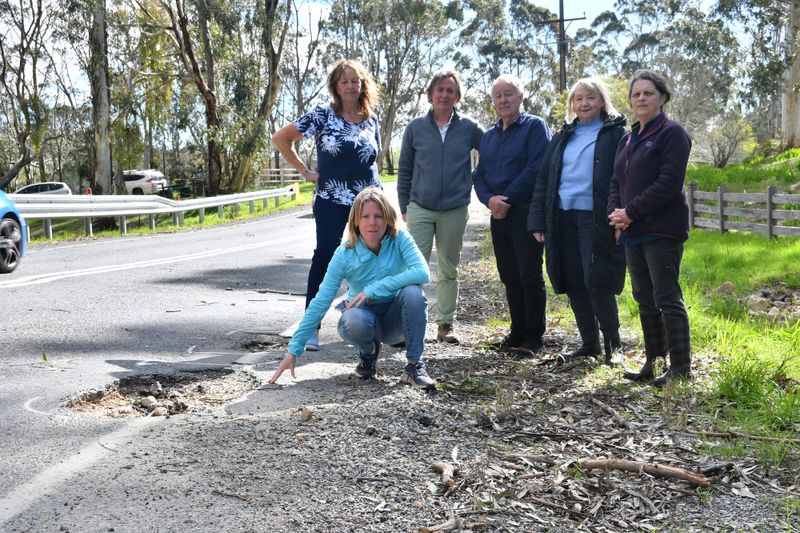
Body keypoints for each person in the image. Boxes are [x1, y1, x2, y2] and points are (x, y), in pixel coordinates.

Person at [268, 187, 436, 389]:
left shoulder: (400, 238)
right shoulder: (344, 253)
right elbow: (321, 301)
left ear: (388, 218)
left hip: (396, 321)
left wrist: (373, 289)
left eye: (378, 216)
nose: (372, 222)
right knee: (351, 319)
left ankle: (414, 366)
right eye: (365, 216)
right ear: (356, 220)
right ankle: (368, 354)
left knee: (414, 293)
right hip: (364, 320)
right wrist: (293, 350)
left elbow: (422, 272)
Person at [272, 59, 381, 352]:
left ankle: (369, 325)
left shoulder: (372, 118)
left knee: (372, 260)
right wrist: (305, 172)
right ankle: (310, 329)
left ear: (362, 85)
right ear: (335, 86)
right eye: (344, 81)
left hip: (367, 202)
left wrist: (380, 200)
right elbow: (281, 138)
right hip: (332, 200)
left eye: (355, 81)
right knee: (325, 259)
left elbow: (373, 162)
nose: (350, 86)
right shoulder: (323, 115)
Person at [528, 78, 627, 365]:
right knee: (573, 280)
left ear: (601, 101)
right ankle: (589, 343)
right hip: (561, 217)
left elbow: (624, 179)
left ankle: (614, 347)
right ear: (572, 104)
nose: (584, 103)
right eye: (579, 98)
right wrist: (538, 221)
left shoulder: (616, 135)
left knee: (597, 279)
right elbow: (544, 180)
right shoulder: (562, 137)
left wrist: (622, 217)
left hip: (597, 217)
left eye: (591, 98)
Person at [607, 69, 693, 387]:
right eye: (636, 94)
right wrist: (616, 215)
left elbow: (669, 183)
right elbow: (616, 181)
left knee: (666, 297)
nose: (641, 98)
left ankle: (681, 369)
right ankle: (654, 365)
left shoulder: (672, 134)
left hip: (662, 229)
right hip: (632, 231)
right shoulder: (628, 139)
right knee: (644, 298)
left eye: (648, 93)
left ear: (663, 97)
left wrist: (631, 211)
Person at [397, 70, 484, 345]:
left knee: (449, 268)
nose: (444, 95)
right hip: (420, 207)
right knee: (413, 268)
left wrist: (472, 179)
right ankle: (408, 325)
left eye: (450, 91)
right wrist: (404, 205)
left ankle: (445, 324)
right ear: (431, 94)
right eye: (440, 90)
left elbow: (491, 155)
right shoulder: (415, 128)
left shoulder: (470, 128)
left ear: (457, 97)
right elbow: (405, 169)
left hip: (454, 209)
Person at [472, 75, 552, 357]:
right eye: (498, 96)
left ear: (521, 97)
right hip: (499, 215)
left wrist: (506, 198)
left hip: (525, 212)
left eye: (509, 94)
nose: (503, 100)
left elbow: (537, 168)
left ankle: (534, 337)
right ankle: (516, 333)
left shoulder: (535, 127)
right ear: (493, 101)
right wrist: (489, 200)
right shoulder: (490, 136)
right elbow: (479, 175)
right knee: (509, 275)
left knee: (529, 273)